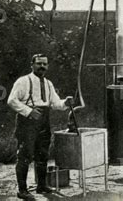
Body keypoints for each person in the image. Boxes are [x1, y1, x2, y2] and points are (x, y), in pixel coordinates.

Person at [7, 54, 74, 200]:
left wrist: (65, 103)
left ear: (48, 66)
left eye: (45, 64)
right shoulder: (23, 81)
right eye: (39, 63)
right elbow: (11, 100)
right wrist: (29, 111)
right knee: (24, 156)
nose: (42, 66)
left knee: (42, 155)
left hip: (44, 120)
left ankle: (41, 186)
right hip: (27, 122)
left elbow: (55, 103)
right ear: (32, 64)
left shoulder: (48, 83)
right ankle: (22, 190)